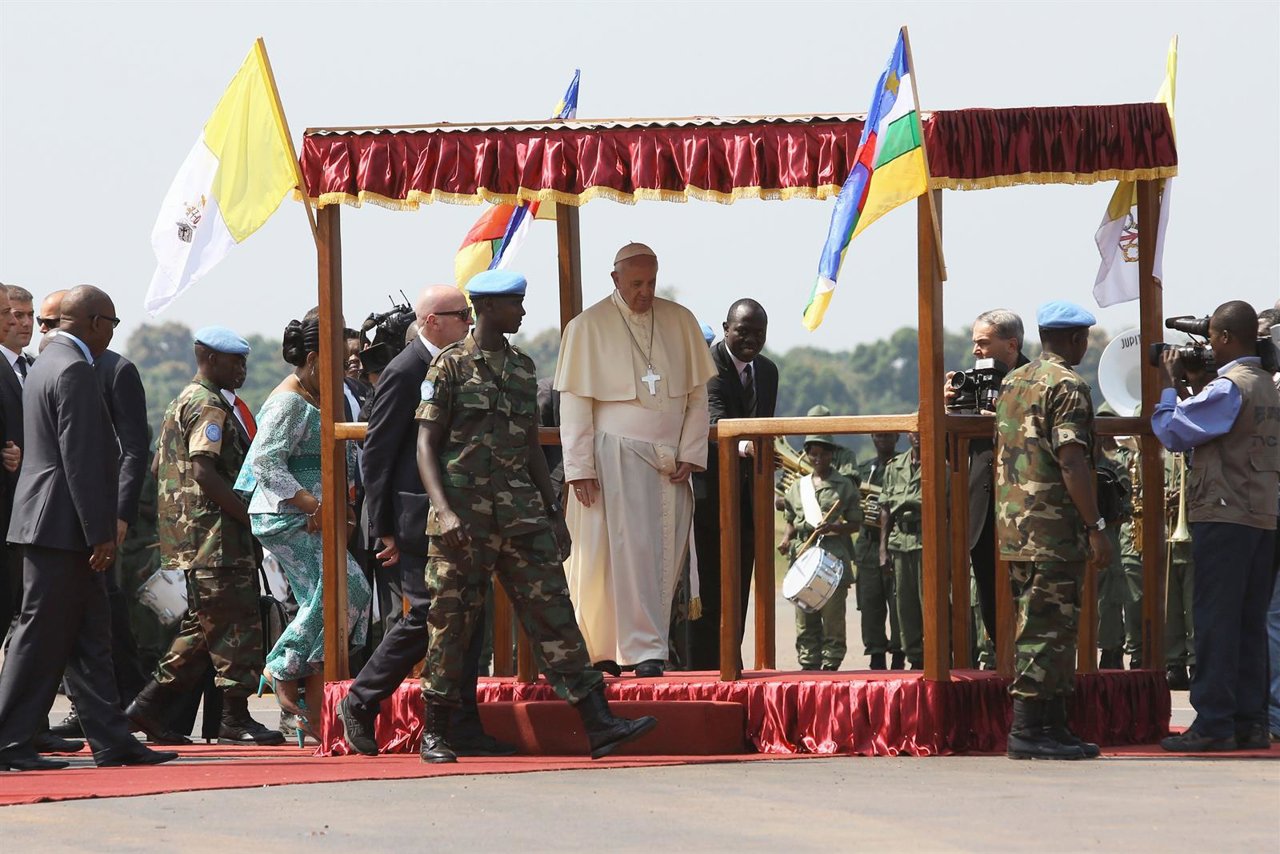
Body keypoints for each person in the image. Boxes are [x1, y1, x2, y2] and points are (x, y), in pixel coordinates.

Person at [411, 269, 656, 762]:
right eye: (514, 305)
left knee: (555, 616)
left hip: (521, 516)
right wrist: (445, 511)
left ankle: (598, 723)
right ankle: (436, 731)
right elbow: (425, 446)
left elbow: (527, 446)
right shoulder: (449, 368)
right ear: (489, 309)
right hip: (463, 521)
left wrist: (552, 509)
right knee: (451, 625)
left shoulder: (523, 369)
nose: (522, 312)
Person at [0, 285, 177, 770]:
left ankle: (112, 739)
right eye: (112, 324)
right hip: (63, 527)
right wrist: (99, 532)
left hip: (48, 521)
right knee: (40, 637)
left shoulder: (43, 363)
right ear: (96, 323)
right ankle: (9, 741)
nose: (112, 334)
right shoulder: (75, 369)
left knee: (89, 637)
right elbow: (80, 460)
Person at [339, 285, 511, 758]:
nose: (470, 322)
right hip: (417, 517)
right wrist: (384, 526)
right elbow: (376, 452)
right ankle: (360, 700)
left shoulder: (453, 364)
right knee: (432, 613)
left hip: (458, 516)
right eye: (462, 315)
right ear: (433, 321)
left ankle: (464, 723)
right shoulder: (406, 369)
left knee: (469, 618)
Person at [555, 243, 715, 677]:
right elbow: (574, 405)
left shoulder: (679, 320)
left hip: (669, 465)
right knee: (614, 556)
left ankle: (647, 645)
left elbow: (698, 396)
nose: (645, 293)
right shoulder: (587, 327)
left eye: (651, 282)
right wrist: (580, 468)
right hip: (614, 457)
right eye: (636, 284)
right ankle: (617, 650)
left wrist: (692, 451)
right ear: (615, 281)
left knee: (659, 557)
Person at [127, 327, 284, 747]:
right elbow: (203, 471)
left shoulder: (184, 401)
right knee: (237, 626)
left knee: (203, 631)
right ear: (208, 358)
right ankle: (235, 717)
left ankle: (146, 707)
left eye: (244, 362)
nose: (243, 370)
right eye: (235, 362)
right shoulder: (209, 406)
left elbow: (165, 466)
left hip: (199, 537)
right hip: (217, 538)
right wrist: (246, 514)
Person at [236, 311, 371, 743]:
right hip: (289, 515)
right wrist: (314, 506)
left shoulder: (314, 396)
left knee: (328, 601)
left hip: (314, 514)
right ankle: (281, 665)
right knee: (347, 590)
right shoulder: (289, 400)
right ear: (313, 359)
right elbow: (264, 462)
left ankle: (310, 709)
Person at [1152, 300, 1279, 753]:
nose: (1207, 347)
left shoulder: (1230, 387)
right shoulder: (1266, 384)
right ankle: (1250, 722)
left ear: (1224, 338)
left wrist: (1171, 388)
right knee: (1249, 623)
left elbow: (1173, 431)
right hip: (1262, 516)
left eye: (1211, 339)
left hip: (1224, 514)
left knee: (1215, 622)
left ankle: (1213, 723)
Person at [995, 300, 1111, 761]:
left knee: (1046, 627)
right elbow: (1073, 460)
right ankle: (1028, 732)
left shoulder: (1012, 381)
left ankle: (1053, 727)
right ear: (1077, 339)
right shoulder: (1068, 385)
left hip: (1015, 528)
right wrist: (1095, 524)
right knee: (1047, 631)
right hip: (1053, 530)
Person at [689, 298, 778, 671]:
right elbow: (715, 422)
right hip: (710, 499)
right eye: (743, 331)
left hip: (749, 498)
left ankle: (731, 660)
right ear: (726, 328)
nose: (751, 340)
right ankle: (703, 669)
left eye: (758, 333)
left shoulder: (769, 371)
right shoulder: (707, 366)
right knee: (709, 590)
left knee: (740, 588)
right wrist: (746, 447)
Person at [945, 309, 1029, 658]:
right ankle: (1002, 675)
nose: (975, 351)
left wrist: (1003, 423)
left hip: (1026, 514)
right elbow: (951, 455)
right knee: (992, 602)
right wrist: (947, 411)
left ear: (1010, 345)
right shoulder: (972, 382)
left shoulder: (1034, 382)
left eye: (983, 343)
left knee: (1029, 604)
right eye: (974, 343)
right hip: (982, 514)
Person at [778, 434, 861, 670]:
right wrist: (786, 540)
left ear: (831, 454)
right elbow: (792, 521)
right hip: (803, 555)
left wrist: (834, 527)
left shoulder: (844, 485)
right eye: (813, 453)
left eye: (823, 453)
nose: (818, 458)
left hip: (833, 553)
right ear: (807, 454)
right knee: (805, 617)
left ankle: (831, 662)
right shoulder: (797, 487)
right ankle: (808, 662)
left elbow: (856, 523)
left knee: (833, 615)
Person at [853, 432, 903, 670]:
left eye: (887, 435)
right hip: (867, 544)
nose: (882, 439)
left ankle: (899, 652)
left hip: (895, 541)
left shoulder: (903, 467)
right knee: (870, 603)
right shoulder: (864, 470)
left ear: (897, 437)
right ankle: (875, 654)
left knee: (898, 602)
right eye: (877, 435)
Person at [879, 432, 924, 670]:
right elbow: (886, 509)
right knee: (904, 604)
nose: (918, 437)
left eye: (922, 432)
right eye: (914, 432)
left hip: (928, 540)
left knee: (929, 602)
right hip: (900, 541)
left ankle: (937, 655)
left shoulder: (941, 464)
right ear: (908, 435)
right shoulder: (894, 467)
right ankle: (915, 658)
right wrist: (882, 549)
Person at [1093, 431, 1132, 669]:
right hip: (1080, 543)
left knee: (1108, 604)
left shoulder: (1115, 468)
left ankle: (1111, 651)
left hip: (1108, 543)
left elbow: (1125, 510)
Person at [1163, 450, 1195, 690]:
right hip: (1167, 543)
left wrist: (1186, 499)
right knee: (1170, 609)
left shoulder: (1200, 458)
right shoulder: (1160, 459)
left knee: (1194, 609)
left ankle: (1196, 662)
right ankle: (1174, 663)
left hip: (1193, 542)